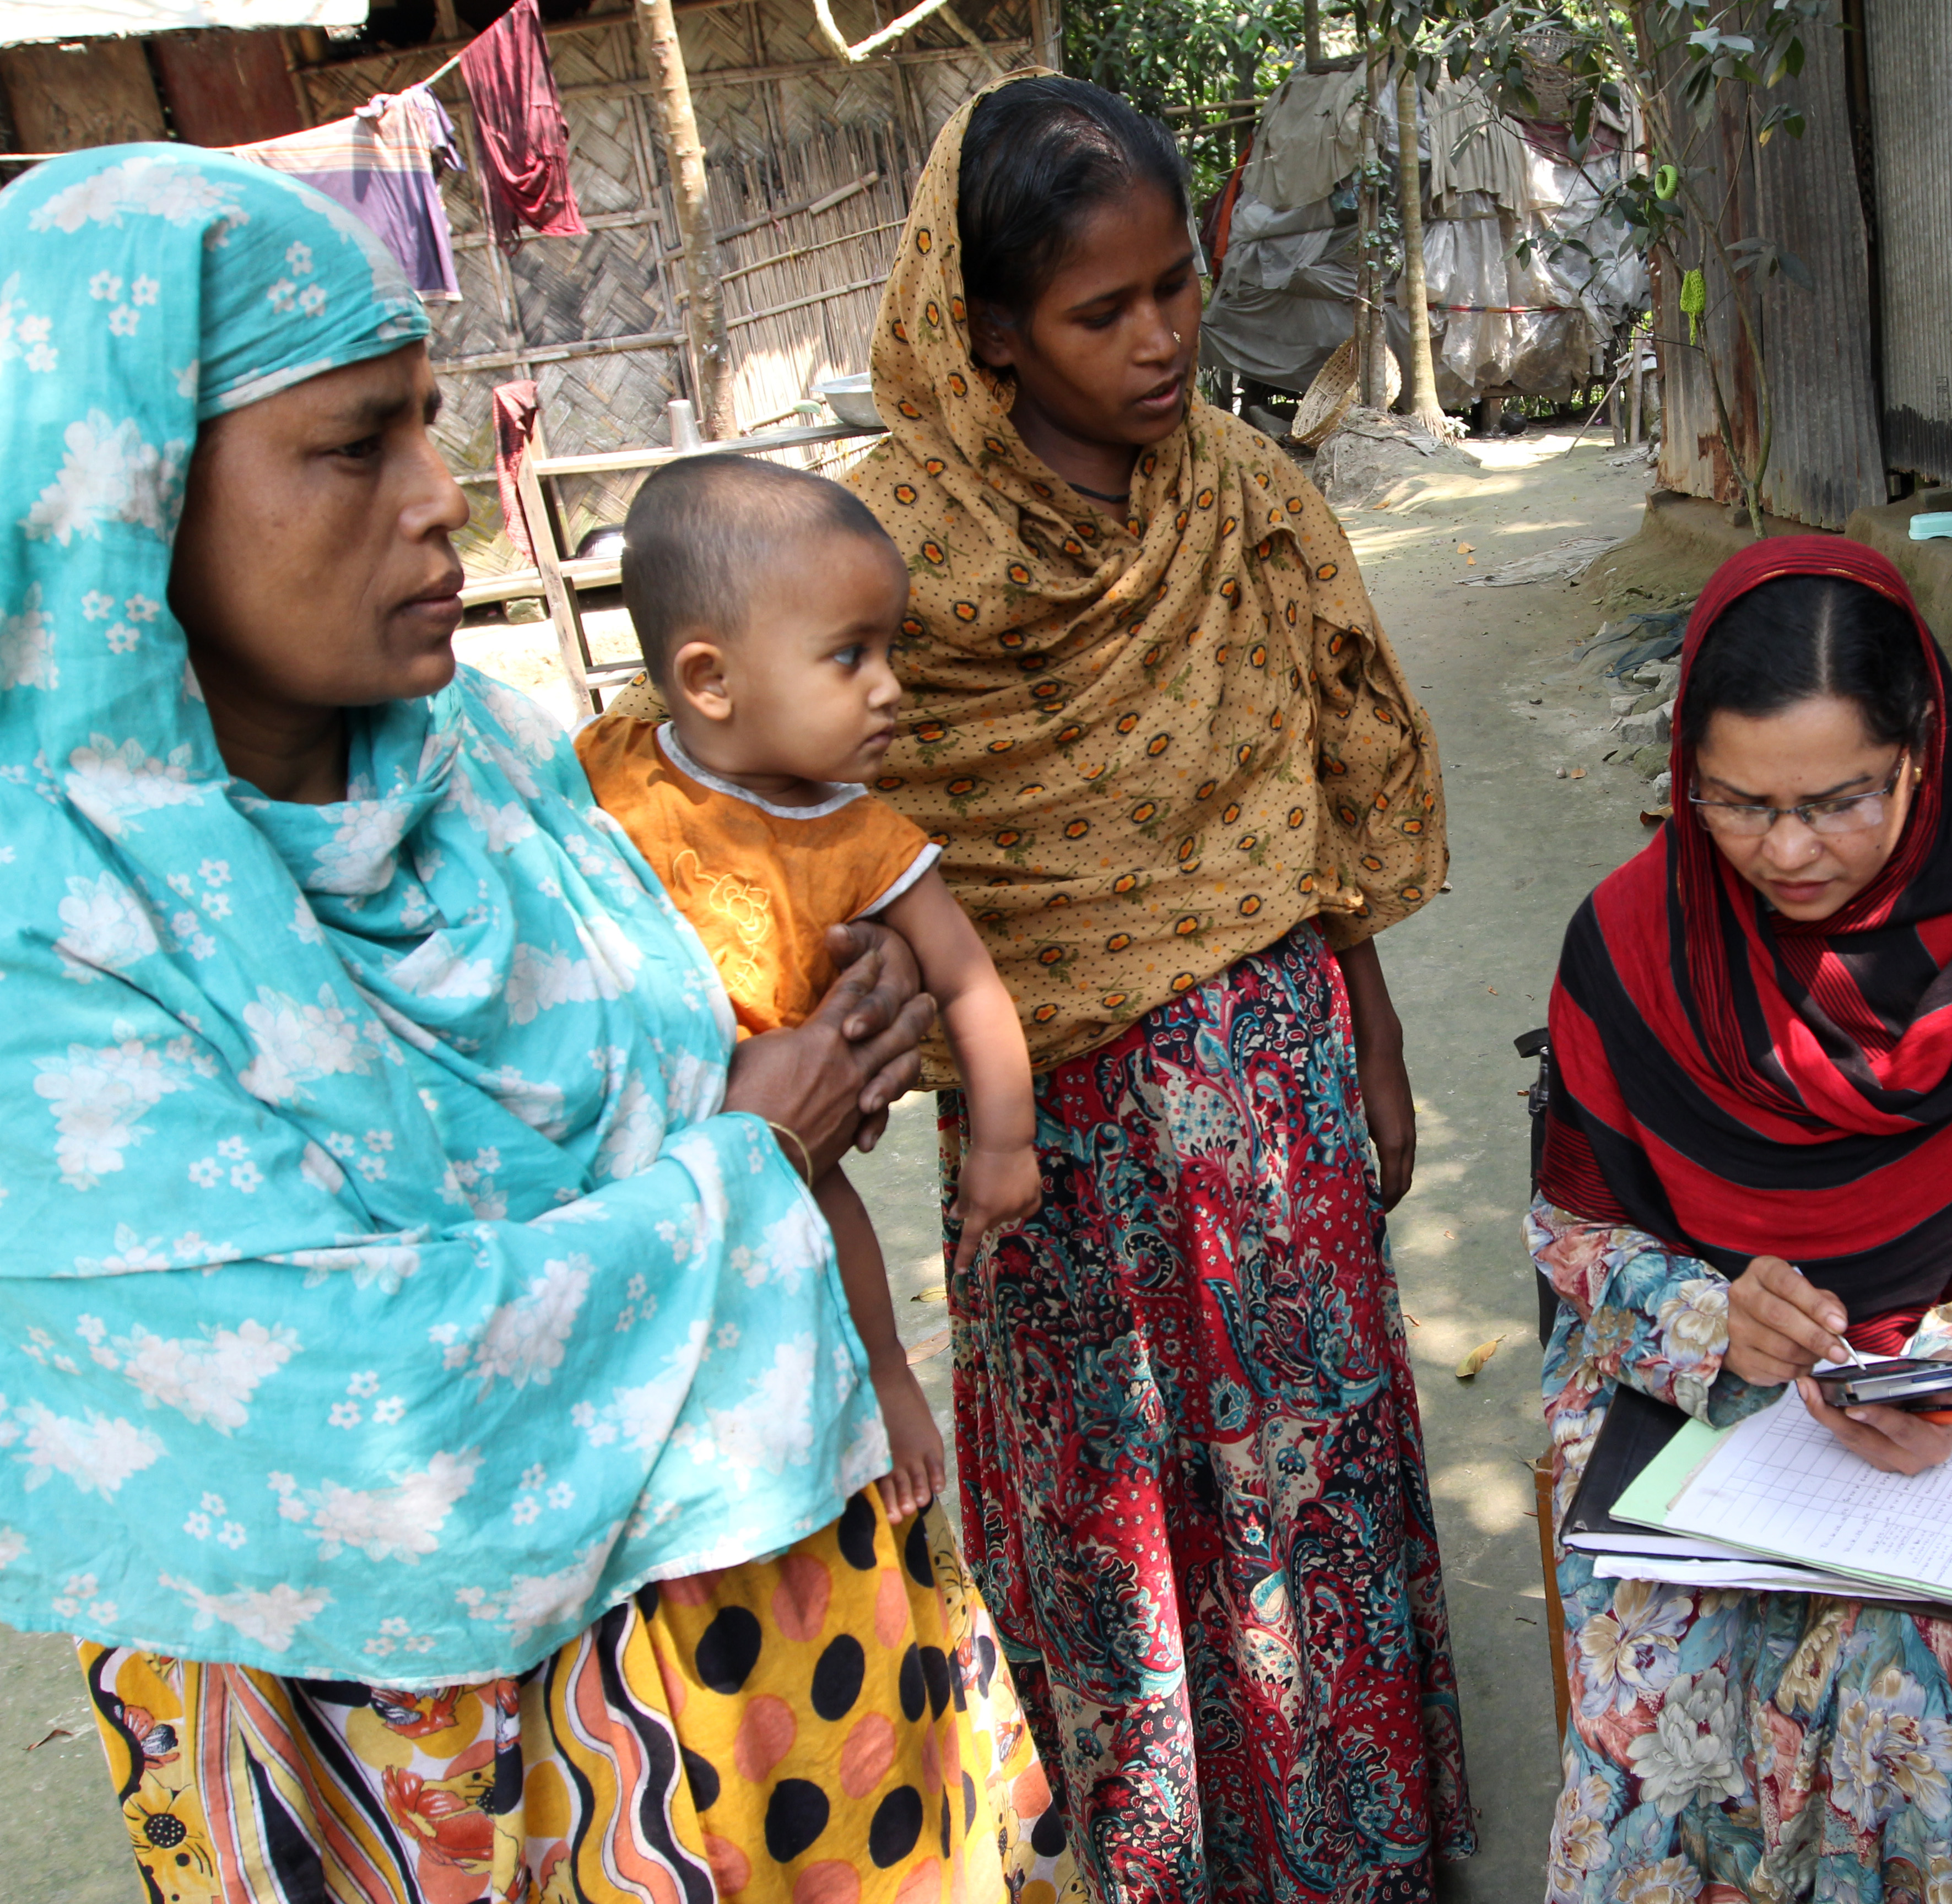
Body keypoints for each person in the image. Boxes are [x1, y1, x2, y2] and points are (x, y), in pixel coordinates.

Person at [0, 145, 1082, 1904]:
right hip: (424, 1777)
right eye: (356, 444)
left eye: (429, 422)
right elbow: (380, 1410)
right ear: (111, 497)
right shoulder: (48, 941)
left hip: (787, 1666)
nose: (441, 496)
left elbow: (687, 1048)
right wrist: (753, 1159)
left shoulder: (489, 758)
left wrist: (815, 1034)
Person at [851, 73, 1472, 1903]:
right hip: (1055, 1140)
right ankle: (1159, 1853)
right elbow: (797, 806)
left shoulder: (1243, 497)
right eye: (1096, 312)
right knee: (1114, 1509)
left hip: (1272, 1092)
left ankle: (1349, 1844)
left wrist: (1374, 1040)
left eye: (1171, 293)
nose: (1155, 342)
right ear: (985, 329)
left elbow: (1326, 784)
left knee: (1309, 1481)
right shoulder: (902, 556)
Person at [1532, 538, 1952, 1904]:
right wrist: (1713, 1313)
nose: (1788, 851)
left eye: (1839, 800)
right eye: (1735, 803)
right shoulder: (1630, 944)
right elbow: (1574, 1223)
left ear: (1923, 752)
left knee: (1920, 1699)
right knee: (1663, 1701)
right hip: (1706, 1415)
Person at [576, 452, 1041, 1524]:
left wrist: (1005, 1142)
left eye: (889, 651)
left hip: (779, 1133)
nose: (890, 687)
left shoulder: (866, 837)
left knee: (830, 1212)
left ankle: (884, 1375)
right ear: (709, 680)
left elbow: (970, 983)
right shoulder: (607, 763)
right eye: (849, 657)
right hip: (624, 1140)